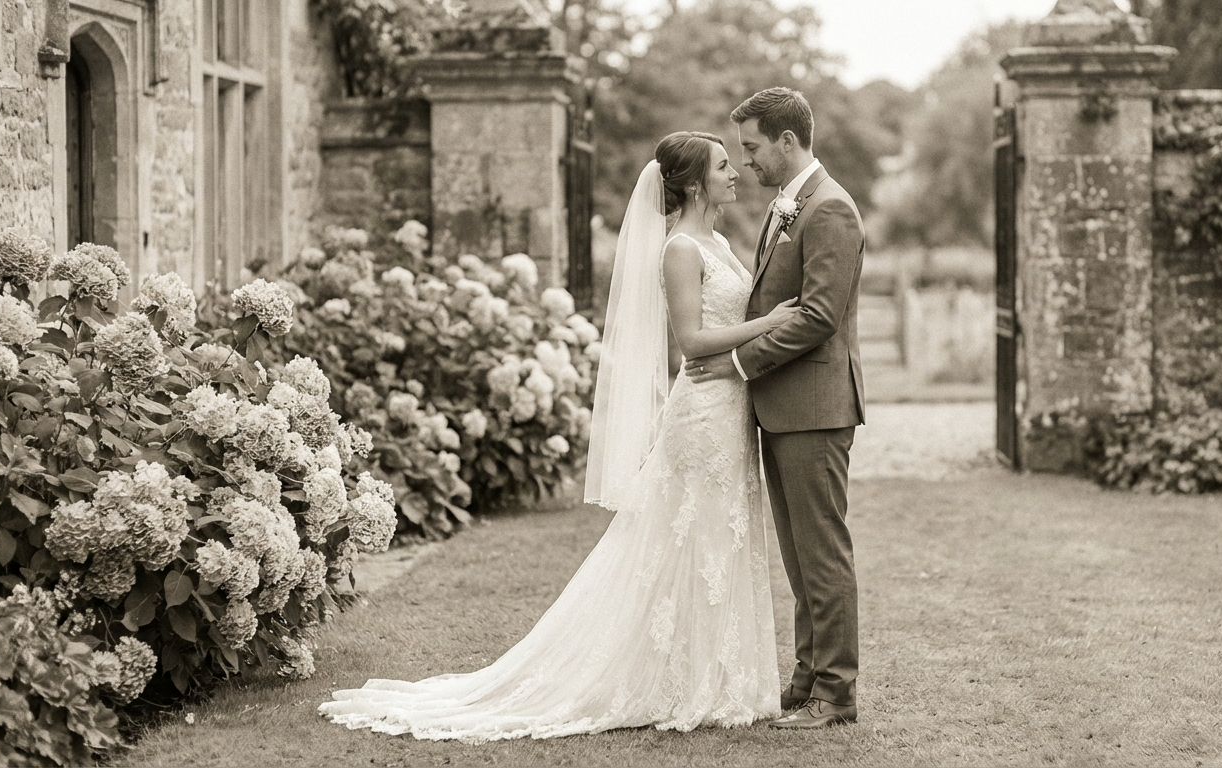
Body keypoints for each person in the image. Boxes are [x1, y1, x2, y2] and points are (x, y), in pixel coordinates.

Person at [320, 131, 800, 742]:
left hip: (730, 409)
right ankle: (673, 679)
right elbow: (691, 342)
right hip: (702, 415)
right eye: (724, 166)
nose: (736, 173)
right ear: (692, 182)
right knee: (686, 540)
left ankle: (724, 678)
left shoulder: (720, 241)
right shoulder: (681, 249)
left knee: (721, 536)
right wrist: (769, 323)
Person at [687, 87, 867, 729]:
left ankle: (836, 692)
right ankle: (807, 676)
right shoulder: (787, 206)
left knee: (821, 551)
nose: (747, 162)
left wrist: (737, 363)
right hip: (783, 407)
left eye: (753, 148)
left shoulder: (830, 210)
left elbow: (819, 316)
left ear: (787, 142)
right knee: (796, 553)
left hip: (815, 407)